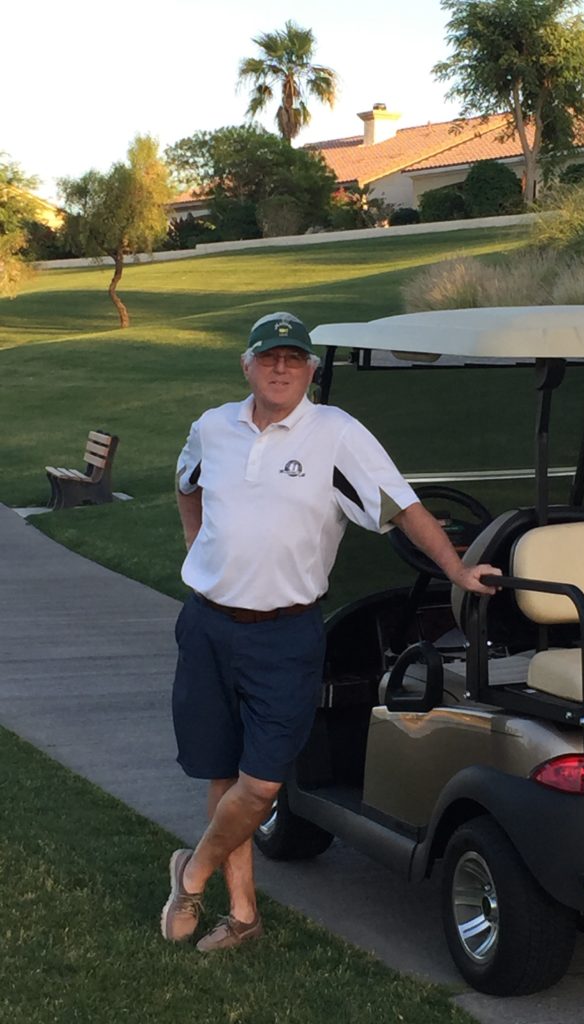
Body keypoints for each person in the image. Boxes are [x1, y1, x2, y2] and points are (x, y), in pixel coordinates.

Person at [161, 311, 499, 952]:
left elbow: (402, 506)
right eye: (269, 358)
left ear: (311, 370)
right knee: (218, 772)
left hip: (285, 635)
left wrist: (456, 567)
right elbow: (186, 484)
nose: (281, 368)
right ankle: (243, 915)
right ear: (247, 366)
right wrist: (195, 547)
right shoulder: (212, 428)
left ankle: (193, 872)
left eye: (293, 359)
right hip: (207, 624)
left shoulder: (336, 433)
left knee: (260, 784)